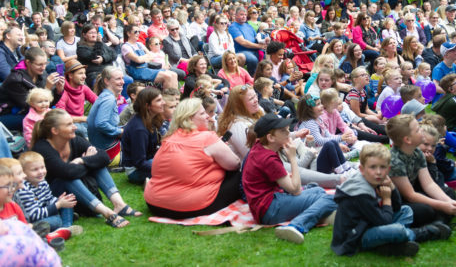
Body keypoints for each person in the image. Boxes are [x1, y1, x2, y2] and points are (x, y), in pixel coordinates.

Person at [331, 144, 451, 257]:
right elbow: (384, 222)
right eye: (373, 167)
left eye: (382, 167)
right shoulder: (360, 193)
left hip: (370, 225)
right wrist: (387, 199)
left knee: (406, 210)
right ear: (362, 169)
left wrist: (392, 188)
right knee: (397, 230)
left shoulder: (374, 179)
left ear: (388, 169)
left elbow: (397, 207)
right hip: (355, 238)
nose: (378, 172)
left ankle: (387, 246)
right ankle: (423, 233)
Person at [32, 109, 140, 228]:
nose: (75, 127)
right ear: (55, 131)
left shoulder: (74, 140)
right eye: (69, 124)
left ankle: (119, 205)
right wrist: (88, 163)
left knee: (96, 165)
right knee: (69, 177)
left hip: (78, 192)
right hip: (54, 198)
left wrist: (82, 160)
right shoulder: (43, 148)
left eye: (72, 123)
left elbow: (104, 157)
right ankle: (108, 213)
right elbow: (66, 172)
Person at [242, 113, 337, 244]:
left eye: (287, 129)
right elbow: (295, 190)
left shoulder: (260, 147)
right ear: (270, 137)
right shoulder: (268, 158)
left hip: (266, 205)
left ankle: (315, 214)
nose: (288, 133)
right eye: (283, 131)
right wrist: (292, 158)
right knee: (331, 198)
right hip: (269, 210)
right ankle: (296, 225)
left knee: (317, 189)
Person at [144, 98, 241, 218]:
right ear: (189, 119)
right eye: (202, 113)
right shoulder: (206, 137)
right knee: (241, 175)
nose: (207, 116)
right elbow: (235, 164)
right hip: (188, 207)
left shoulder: (169, 138)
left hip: (155, 204)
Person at [387, 114, 456, 227]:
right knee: (425, 210)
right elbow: (410, 195)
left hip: (415, 194)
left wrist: (448, 201)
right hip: (399, 203)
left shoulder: (417, 152)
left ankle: (439, 223)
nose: (421, 130)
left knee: (448, 192)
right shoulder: (394, 160)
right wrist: (442, 205)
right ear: (407, 139)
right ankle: (440, 222)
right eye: (418, 129)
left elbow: (429, 184)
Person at [0, 47, 64, 131]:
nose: (43, 67)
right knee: (45, 122)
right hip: (9, 114)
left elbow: (47, 104)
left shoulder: (41, 73)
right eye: (39, 64)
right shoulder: (15, 80)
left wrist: (58, 91)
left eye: (45, 63)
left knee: (59, 116)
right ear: (28, 62)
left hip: (30, 111)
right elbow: (30, 107)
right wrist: (47, 89)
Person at [16, 152, 79, 232]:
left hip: (43, 213)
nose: (40, 172)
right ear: (24, 173)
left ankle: (66, 226)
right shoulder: (23, 188)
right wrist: (58, 205)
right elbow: (33, 215)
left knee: (66, 203)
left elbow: (48, 199)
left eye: (42, 167)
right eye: (35, 170)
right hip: (32, 220)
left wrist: (58, 200)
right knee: (56, 220)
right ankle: (64, 225)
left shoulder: (43, 182)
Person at [297, 95, 356, 176]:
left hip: (318, 153)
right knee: (330, 144)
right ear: (309, 109)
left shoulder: (318, 119)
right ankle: (340, 171)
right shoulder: (310, 122)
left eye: (320, 103)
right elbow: (319, 141)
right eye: (318, 104)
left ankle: (346, 168)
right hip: (312, 162)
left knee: (333, 143)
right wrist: (340, 138)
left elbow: (328, 135)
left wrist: (340, 140)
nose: (322, 106)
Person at [121, 88, 163, 184]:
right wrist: (163, 168)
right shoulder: (139, 129)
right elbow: (139, 162)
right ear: (147, 106)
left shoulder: (150, 119)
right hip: (135, 171)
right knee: (173, 171)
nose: (163, 103)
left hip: (150, 160)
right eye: (158, 101)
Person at [87, 66, 125, 164]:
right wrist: (119, 131)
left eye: (122, 78)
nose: (122, 82)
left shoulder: (106, 96)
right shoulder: (108, 99)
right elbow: (101, 123)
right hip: (108, 152)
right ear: (107, 81)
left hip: (104, 146)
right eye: (118, 79)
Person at [121, 25, 178, 89]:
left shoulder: (139, 44)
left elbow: (151, 56)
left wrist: (143, 58)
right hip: (137, 71)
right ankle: (168, 97)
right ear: (128, 33)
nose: (138, 34)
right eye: (135, 32)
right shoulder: (126, 47)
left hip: (146, 68)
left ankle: (174, 97)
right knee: (167, 76)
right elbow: (138, 60)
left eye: (139, 32)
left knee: (174, 74)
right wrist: (145, 57)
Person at [55, 59, 97, 139]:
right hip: (69, 124)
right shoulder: (63, 91)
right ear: (70, 75)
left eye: (84, 73)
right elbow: (61, 116)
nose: (84, 76)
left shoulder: (83, 88)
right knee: (81, 130)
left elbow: (98, 102)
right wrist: (83, 118)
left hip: (82, 122)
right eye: (80, 73)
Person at [76, 23, 117, 88]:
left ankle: (120, 98)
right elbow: (96, 57)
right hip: (94, 74)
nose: (94, 35)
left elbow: (114, 55)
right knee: (104, 85)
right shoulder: (81, 48)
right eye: (91, 33)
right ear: (84, 35)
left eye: (95, 33)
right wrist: (98, 43)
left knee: (127, 80)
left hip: (108, 72)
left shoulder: (101, 44)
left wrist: (103, 58)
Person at [228, 7, 265, 75]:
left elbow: (256, 38)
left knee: (267, 54)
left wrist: (264, 42)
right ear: (235, 15)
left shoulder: (248, 26)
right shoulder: (233, 27)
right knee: (253, 59)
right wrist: (259, 46)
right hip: (241, 51)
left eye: (245, 14)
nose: (244, 16)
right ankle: (252, 78)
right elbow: (243, 42)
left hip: (254, 49)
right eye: (241, 14)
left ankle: (264, 76)